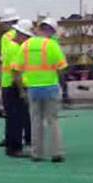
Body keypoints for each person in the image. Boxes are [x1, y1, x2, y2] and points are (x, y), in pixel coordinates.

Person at [13, 18, 68, 162]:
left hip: (33, 89)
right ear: (50, 31)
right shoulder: (51, 45)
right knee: (53, 121)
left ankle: (37, 153)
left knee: (36, 121)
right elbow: (62, 67)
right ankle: (56, 152)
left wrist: (22, 90)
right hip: (50, 87)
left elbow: (16, 70)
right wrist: (62, 86)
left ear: (38, 29)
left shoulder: (25, 45)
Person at [1, 19, 34, 158]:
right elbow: (17, 71)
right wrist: (22, 90)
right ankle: (15, 148)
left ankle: (11, 146)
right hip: (14, 85)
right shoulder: (17, 48)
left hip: (7, 84)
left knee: (12, 118)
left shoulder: (9, 46)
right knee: (17, 118)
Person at [0, 8, 20, 147]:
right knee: (22, 111)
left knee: (10, 113)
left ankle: (11, 140)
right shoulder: (25, 36)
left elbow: (5, 58)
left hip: (8, 80)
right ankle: (27, 137)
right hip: (23, 79)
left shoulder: (6, 37)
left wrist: (0, 60)